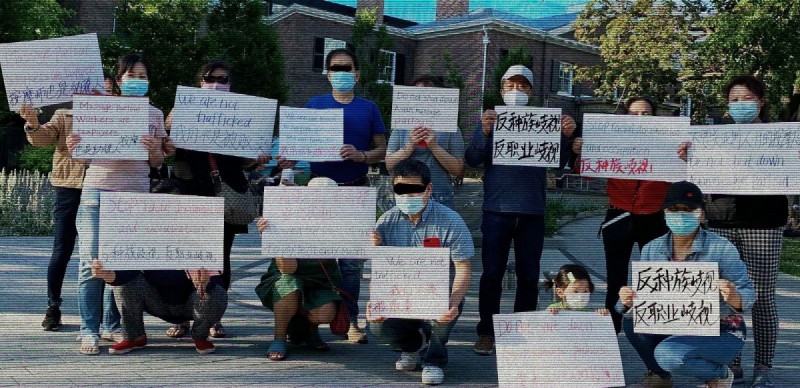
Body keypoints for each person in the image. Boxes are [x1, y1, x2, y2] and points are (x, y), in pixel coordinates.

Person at [678, 76, 787, 387]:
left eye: (747, 98)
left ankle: (763, 369)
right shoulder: (715, 137)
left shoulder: (780, 137)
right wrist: (690, 159)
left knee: (762, 298)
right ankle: (730, 366)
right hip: (722, 221)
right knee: (723, 296)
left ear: (762, 101)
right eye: (734, 99)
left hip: (764, 223)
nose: (741, 104)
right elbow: (698, 177)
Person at [465, 64, 576, 355]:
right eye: (510, 86)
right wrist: (485, 131)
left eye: (522, 86)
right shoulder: (490, 119)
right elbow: (473, 158)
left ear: (530, 90)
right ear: (502, 91)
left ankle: (522, 330)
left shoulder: (544, 122)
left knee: (529, 276)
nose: (516, 91)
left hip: (532, 213)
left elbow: (558, 164)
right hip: (496, 210)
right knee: (491, 275)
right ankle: (487, 332)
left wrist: (565, 137)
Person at [65, 54, 166, 355]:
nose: (136, 80)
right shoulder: (97, 109)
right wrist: (74, 148)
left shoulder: (154, 114)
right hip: (97, 191)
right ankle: (88, 330)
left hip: (135, 196)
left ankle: (112, 324)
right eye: (130, 75)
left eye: (142, 75)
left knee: (122, 263)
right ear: (119, 79)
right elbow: (83, 158)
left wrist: (152, 149)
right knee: (91, 262)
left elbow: (158, 161)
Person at [162, 61, 269, 339]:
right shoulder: (184, 108)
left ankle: (213, 316)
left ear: (230, 84)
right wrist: (169, 125)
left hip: (225, 192)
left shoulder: (239, 113)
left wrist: (256, 158)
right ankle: (183, 317)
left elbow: (245, 159)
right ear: (200, 82)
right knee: (186, 256)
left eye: (223, 79)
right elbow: (165, 147)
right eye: (210, 78)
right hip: (189, 192)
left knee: (220, 257)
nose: (216, 83)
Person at [619, 181, 755, 388]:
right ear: (664, 213)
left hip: (721, 330)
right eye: (674, 209)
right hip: (672, 324)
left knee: (668, 354)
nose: (681, 215)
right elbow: (638, 298)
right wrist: (626, 301)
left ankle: (720, 374)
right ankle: (660, 377)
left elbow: (748, 292)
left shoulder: (721, 248)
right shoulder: (651, 249)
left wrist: (734, 296)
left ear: (701, 214)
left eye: (689, 209)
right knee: (630, 321)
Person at [16, 73, 116, 331]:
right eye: (96, 91)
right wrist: (32, 123)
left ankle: (105, 314)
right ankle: (53, 305)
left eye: (107, 91)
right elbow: (42, 139)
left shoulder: (117, 118)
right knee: (62, 249)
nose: (100, 96)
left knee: (101, 253)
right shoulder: (65, 115)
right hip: (69, 187)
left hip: (105, 188)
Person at [303, 48, 388, 344]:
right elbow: (297, 146)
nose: (341, 72)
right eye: (335, 68)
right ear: (328, 74)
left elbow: (382, 150)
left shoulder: (369, 108)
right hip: (319, 192)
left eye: (347, 67)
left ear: (357, 73)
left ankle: (350, 320)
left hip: (355, 188)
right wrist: (288, 160)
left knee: (351, 263)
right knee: (319, 259)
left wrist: (362, 154)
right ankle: (312, 322)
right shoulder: (313, 105)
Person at [367, 159, 474, 386]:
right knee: (376, 325)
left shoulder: (450, 221)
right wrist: (375, 299)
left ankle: (433, 360)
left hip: (438, 294)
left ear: (429, 189)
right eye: (401, 190)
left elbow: (463, 268)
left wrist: (453, 301)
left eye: (414, 190)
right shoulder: (385, 221)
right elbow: (381, 270)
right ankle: (412, 347)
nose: (407, 196)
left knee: (443, 314)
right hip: (400, 295)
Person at [571, 97, 670, 333]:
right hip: (619, 215)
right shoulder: (613, 141)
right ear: (625, 118)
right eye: (634, 113)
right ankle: (611, 329)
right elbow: (585, 173)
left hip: (654, 216)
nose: (640, 118)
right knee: (616, 278)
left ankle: (654, 330)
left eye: (646, 113)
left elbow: (682, 174)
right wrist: (580, 153)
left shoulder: (666, 143)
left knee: (656, 277)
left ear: (655, 118)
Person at [254, 177, 343, 361]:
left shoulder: (339, 222)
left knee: (326, 312)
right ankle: (279, 337)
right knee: (289, 284)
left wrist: (373, 241)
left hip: (321, 279)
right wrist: (273, 236)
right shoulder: (288, 217)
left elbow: (361, 254)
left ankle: (309, 330)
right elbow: (287, 268)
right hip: (288, 276)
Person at [89, 261, 226, 355]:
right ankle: (134, 335)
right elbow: (127, 272)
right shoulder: (149, 237)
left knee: (217, 293)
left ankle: (200, 335)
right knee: (122, 283)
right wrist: (108, 275)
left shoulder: (202, 239)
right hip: (156, 299)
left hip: (192, 302)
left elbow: (217, 283)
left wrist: (205, 283)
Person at [384, 75, 465, 209]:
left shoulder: (451, 128)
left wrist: (434, 146)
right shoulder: (401, 126)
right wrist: (409, 146)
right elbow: (389, 164)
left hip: (440, 196)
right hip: (407, 195)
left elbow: (458, 169)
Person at [544, 264, 608, 315]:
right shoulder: (554, 309)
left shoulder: (589, 313)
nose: (581, 296)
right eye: (576, 291)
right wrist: (550, 315)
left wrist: (603, 315)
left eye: (585, 291)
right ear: (560, 292)